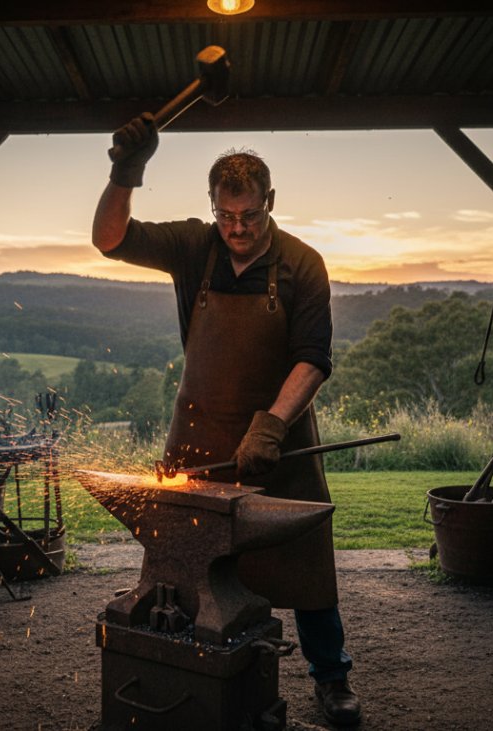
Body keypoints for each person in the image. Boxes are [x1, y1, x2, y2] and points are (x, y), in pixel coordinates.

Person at [91, 113, 361, 726]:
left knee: (308, 571)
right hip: (196, 445)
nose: (237, 229)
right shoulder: (194, 246)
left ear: (271, 202)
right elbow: (109, 238)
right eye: (225, 216)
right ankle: (182, 672)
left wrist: (271, 426)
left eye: (250, 216)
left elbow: (313, 359)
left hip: (278, 448)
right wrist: (125, 171)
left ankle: (332, 677)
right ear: (212, 206)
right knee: (183, 571)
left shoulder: (302, 264)